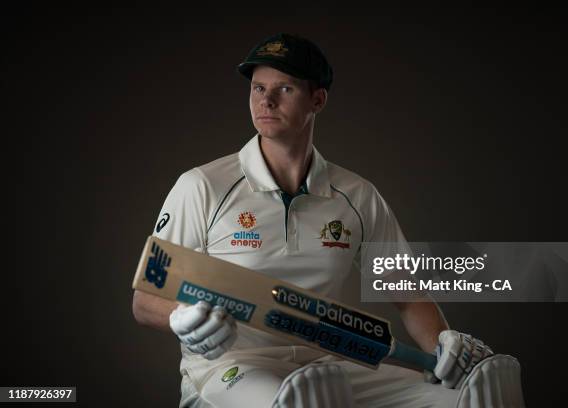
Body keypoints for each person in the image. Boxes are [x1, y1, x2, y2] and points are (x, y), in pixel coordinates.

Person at [132, 33, 524, 407]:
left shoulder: (356, 196)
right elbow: (145, 298)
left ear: (317, 100)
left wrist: (443, 346)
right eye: (257, 88)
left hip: (329, 365)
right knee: (301, 403)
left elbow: (406, 294)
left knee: (462, 402)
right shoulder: (203, 186)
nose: (265, 100)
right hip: (233, 368)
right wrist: (179, 316)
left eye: (283, 88)